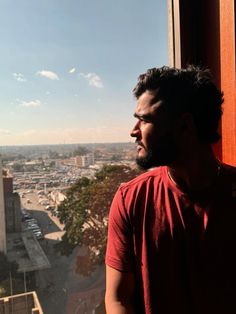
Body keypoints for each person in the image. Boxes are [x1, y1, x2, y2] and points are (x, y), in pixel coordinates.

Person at [105, 65, 236, 314]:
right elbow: (118, 299)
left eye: (144, 120)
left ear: (185, 125)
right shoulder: (131, 199)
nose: (133, 132)